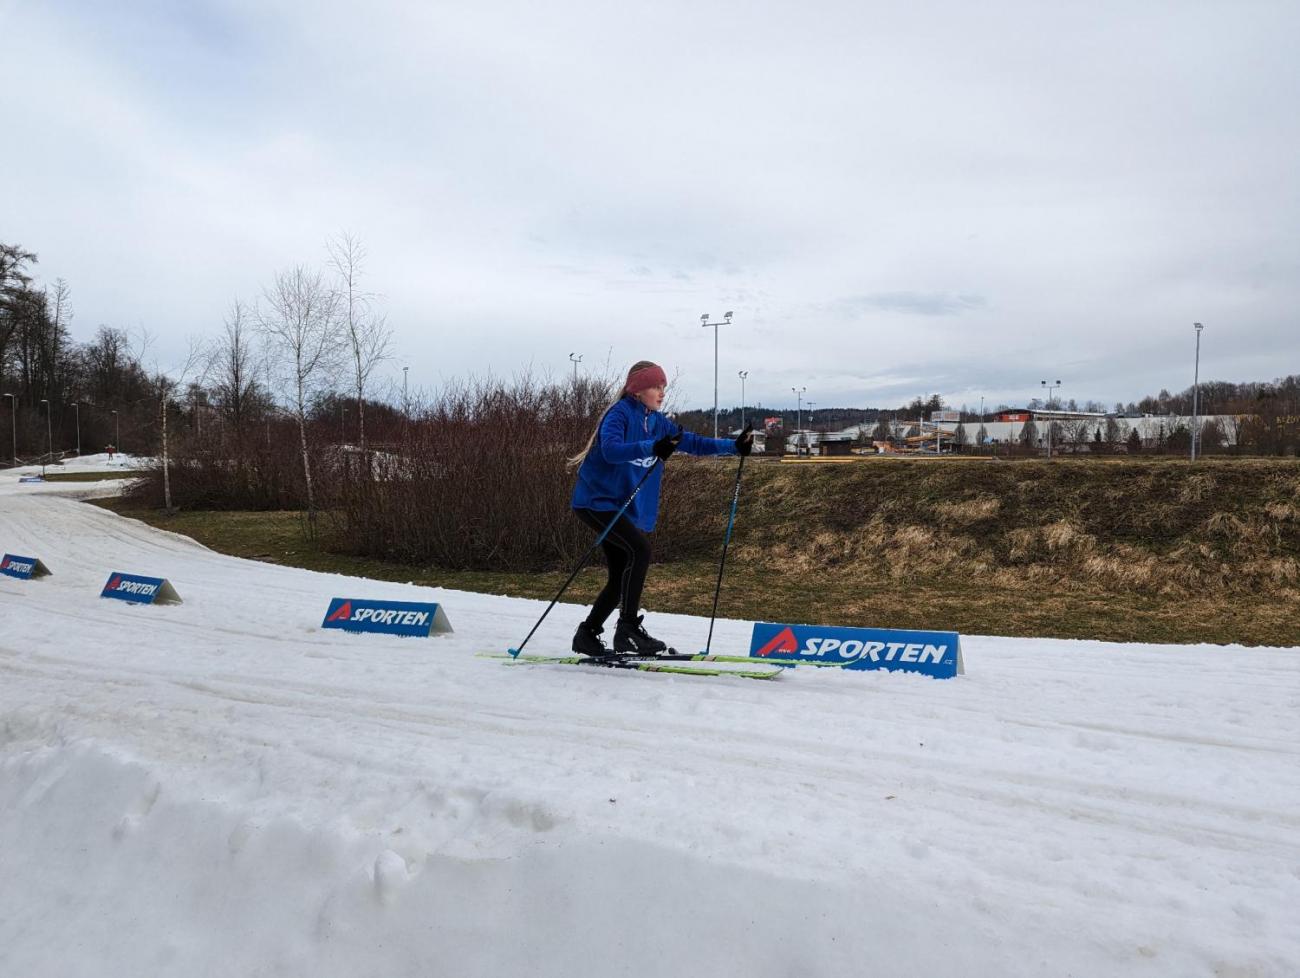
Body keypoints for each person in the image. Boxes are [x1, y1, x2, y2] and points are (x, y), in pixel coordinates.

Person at [568, 360, 753, 656]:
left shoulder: (658, 421)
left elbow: (691, 442)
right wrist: (652, 447)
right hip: (596, 502)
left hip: (618, 507)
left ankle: (587, 635)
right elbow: (611, 451)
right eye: (656, 386)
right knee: (639, 550)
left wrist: (734, 447)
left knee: (620, 573)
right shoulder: (619, 415)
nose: (662, 392)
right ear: (638, 389)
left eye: (664, 387)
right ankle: (627, 629)